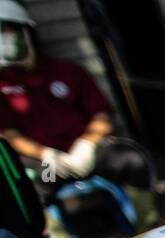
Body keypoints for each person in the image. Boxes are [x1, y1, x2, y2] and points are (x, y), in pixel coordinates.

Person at [0, 0, 151, 201]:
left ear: (26, 30)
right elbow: (9, 134)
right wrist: (45, 154)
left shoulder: (68, 71)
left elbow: (101, 115)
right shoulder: (2, 87)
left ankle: (148, 224)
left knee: (131, 160)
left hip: (89, 153)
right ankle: (54, 233)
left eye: (6, 29)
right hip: (47, 163)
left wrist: (87, 145)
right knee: (30, 187)